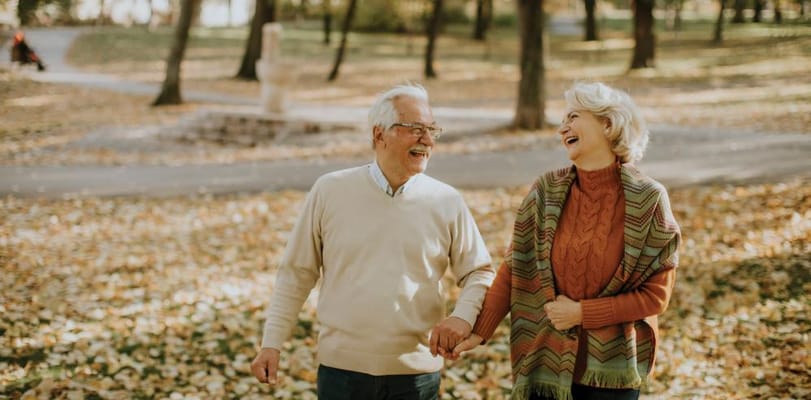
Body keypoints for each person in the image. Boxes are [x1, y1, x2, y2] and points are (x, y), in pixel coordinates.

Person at [250, 83, 496, 399]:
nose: (428, 140)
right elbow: (296, 274)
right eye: (416, 129)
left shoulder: (447, 200)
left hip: (416, 377)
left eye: (433, 130)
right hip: (341, 375)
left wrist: (463, 316)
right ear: (379, 135)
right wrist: (271, 343)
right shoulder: (330, 191)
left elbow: (479, 271)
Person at [448, 82, 681, 400]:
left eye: (573, 116)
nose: (562, 129)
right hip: (544, 361)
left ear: (607, 123)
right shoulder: (546, 191)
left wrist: (583, 313)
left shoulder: (648, 199)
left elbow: (656, 297)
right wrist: (480, 330)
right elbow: (517, 267)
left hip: (611, 373)